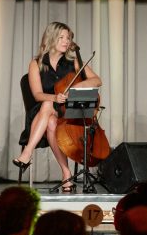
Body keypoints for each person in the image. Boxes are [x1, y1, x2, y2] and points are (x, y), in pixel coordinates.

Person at [13, 22, 102, 191]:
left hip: (68, 114)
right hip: (43, 114)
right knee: (49, 115)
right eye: (61, 37)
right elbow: (37, 94)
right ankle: (66, 173)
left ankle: (27, 153)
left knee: (51, 116)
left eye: (68, 38)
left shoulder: (73, 61)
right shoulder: (36, 64)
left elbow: (97, 80)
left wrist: (77, 86)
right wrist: (55, 97)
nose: (66, 41)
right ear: (51, 38)